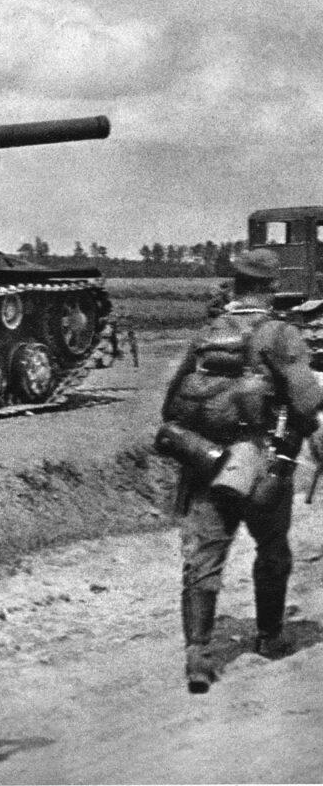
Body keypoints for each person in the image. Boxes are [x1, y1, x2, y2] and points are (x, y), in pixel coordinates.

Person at [160, 248, 322, 694]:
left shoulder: (208, 334)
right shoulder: (278, 334)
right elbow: (307, 403)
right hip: (261, 464)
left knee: (202, 560)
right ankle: (269, 637)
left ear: (234, 286)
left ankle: (197, 654)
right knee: (272, 551)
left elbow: (171, 405)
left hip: (204, 460)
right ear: (271, 289)